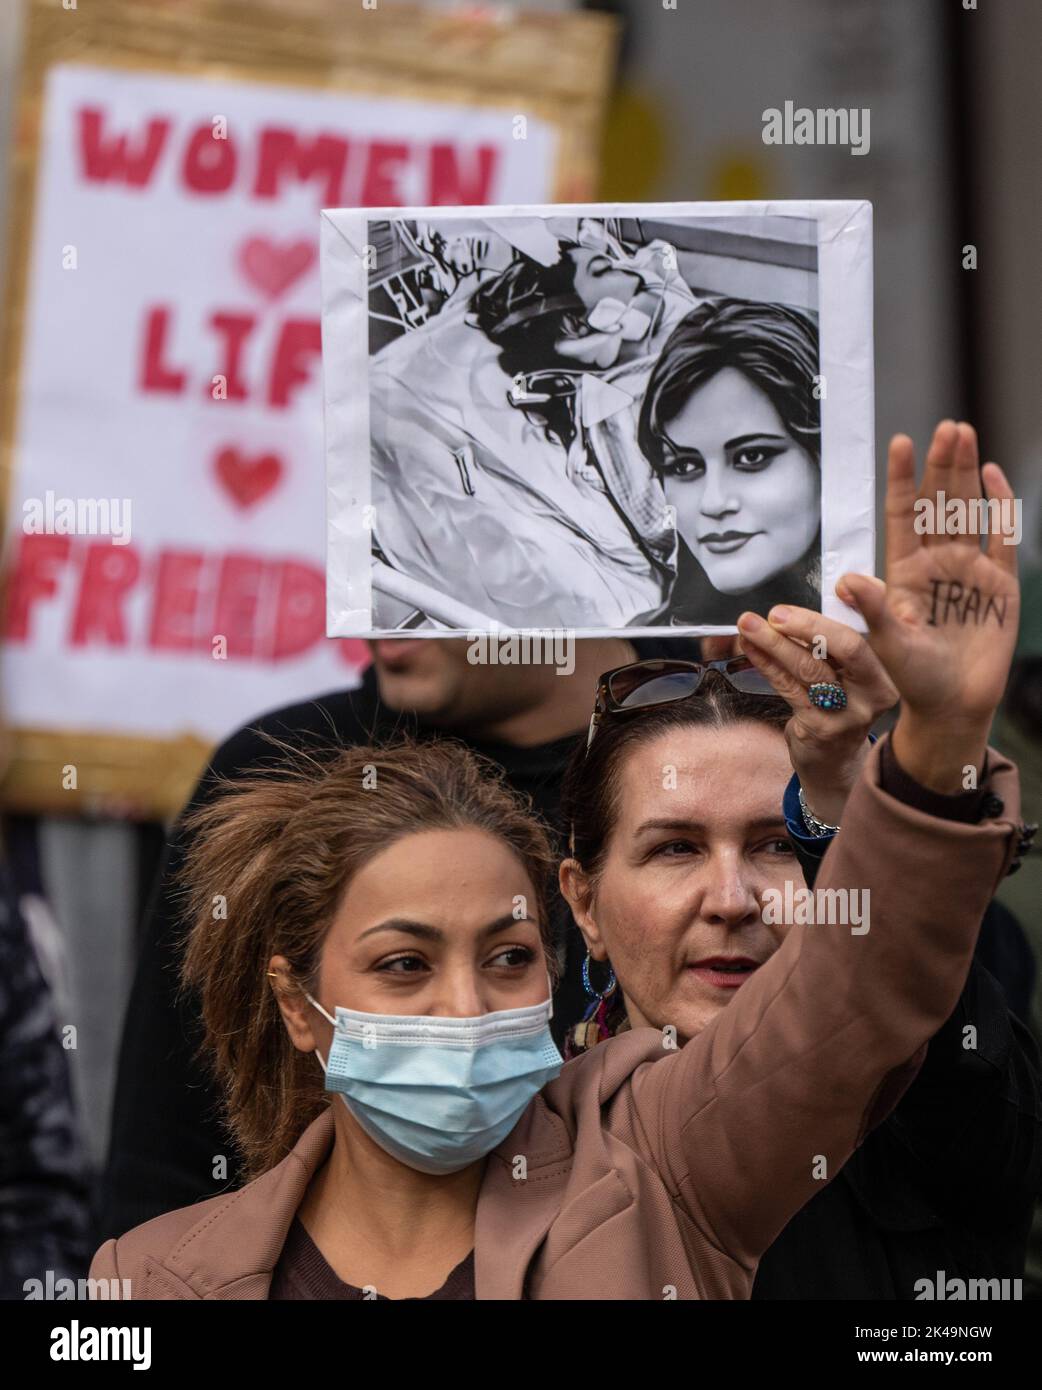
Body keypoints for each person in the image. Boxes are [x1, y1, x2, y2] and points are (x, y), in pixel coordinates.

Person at [90, 421, 1030, 1299]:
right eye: (404, 963)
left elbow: (872, 991)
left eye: (506, 958)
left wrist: (931, 748)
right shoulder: (157, 1273)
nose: (733, 897)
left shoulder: (654, 1164)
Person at [95, 634, 686, 1242]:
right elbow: (164, 1158)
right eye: (404, 964)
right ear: (293, 999)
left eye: (510, 956)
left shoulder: (733, 726)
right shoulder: (279, 760)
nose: (465, 1011)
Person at [637, 297, 822, 624]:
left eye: (752, 457)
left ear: (824, 456)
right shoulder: (638, 643)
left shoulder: (895, 632)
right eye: (684, 466)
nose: (713, 503)